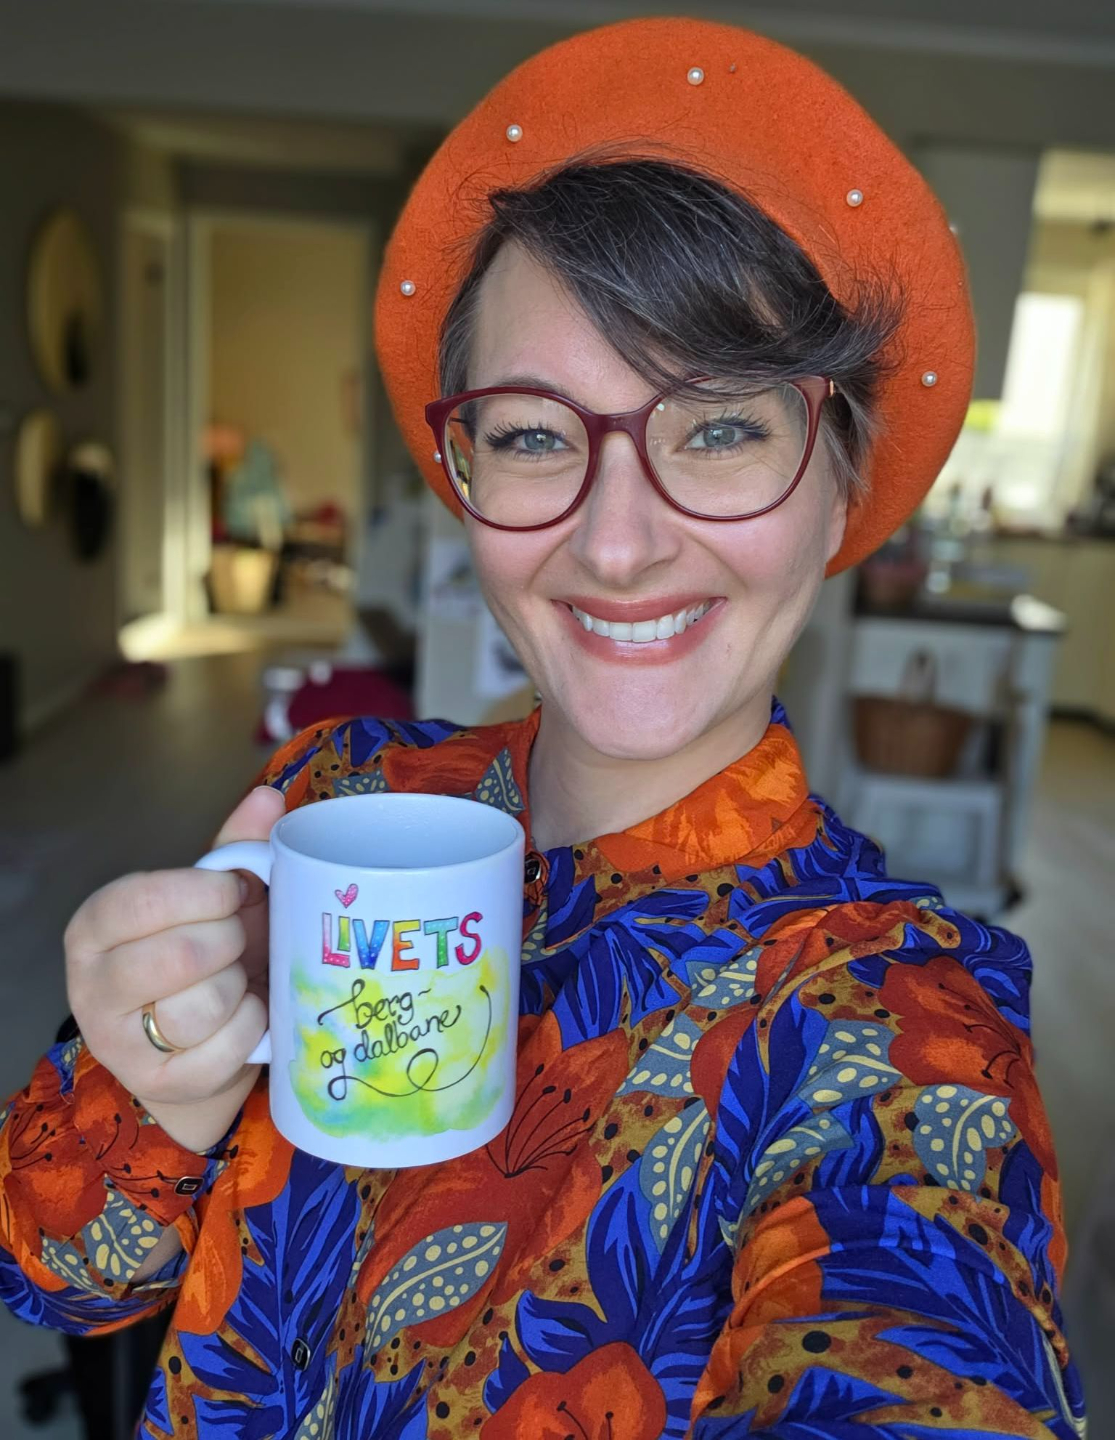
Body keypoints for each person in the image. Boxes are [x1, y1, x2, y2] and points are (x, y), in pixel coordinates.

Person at [0, 18, 1084, 1439]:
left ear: (840, 487)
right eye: (531, 434)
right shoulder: (336, 799)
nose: (617, 545)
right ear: (467, 475)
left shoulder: (892, 1018)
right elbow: (55, 1275)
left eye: (720, 427)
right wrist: (156, 1086)